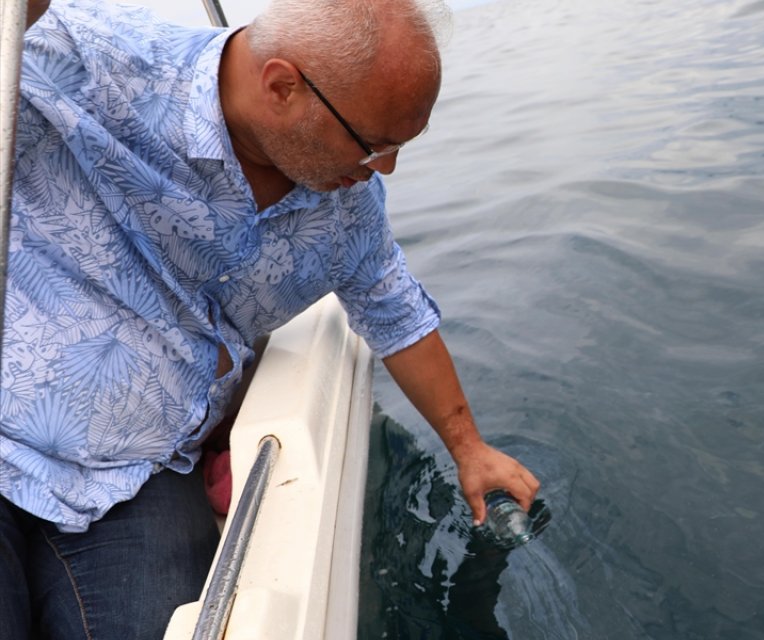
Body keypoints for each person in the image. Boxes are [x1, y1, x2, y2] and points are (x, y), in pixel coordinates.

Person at [0, 0, 540, 637]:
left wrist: (468, 448)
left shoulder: (348, 206)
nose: (386, 167)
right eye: (375, 143)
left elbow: (396, 312)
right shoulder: (86, 55)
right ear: (283, 86)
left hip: (143, 474)